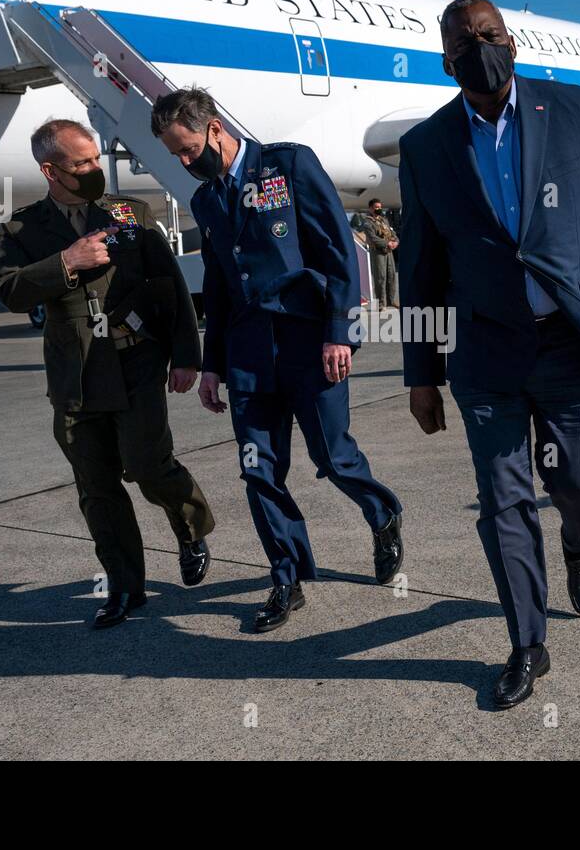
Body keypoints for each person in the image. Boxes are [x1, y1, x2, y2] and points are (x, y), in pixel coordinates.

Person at [398, 0, 580, 709]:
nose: (479, 48)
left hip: (577, 344)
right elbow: (421, 267)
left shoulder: (574, 110)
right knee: (503, 501)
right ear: (446, 59)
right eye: (464, 42)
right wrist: (421, 374)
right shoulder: (426, 147)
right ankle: (526, 642)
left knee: (577, 484)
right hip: (486, 357)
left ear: (510, 41)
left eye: (489, 35)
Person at [152, 87, 403, 633]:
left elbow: (338, 249)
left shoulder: (288, 164)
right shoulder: (205, 201)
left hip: (309, 345)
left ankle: (382, 513)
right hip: (246, 358)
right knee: (257, 470)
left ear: (215, 127)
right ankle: (285, 577)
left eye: (189, 148)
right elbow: (217, 288)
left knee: (333, 458)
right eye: (176, 155)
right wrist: (212, 363)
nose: (186, 162)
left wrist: (339, 332)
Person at [0, 119, 215, 630]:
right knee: (96, 487)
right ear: (50, 170)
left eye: (96, 159)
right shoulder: (22, 229)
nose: (95, 169)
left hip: (136, 361)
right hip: (76, 375)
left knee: (148, 464)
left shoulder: (127, 214)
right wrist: (66, 261)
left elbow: (168, 284)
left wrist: (186, 355)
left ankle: (190, 527)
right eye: (82, 163)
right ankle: (124, 587)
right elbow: (8, 291)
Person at [359, 198, 400, 308]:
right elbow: (373, 238)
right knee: (380, 277)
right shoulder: (367, 222)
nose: (379, 209)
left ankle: (391, 301)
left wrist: (395, 241)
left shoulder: (384, 220)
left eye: (380, 207)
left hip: (389, 252)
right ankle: (381, 303)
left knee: (391, 276)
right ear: (371, 208)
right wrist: (388, 243)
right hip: (378, 252)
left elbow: (392, 233)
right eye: (376, 207)